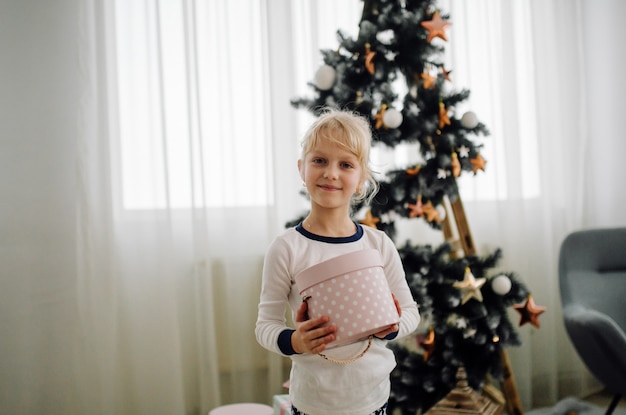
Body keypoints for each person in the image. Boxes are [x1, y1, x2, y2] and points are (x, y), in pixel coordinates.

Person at [255, 108, 420, 415]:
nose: (331, 172)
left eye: (345, 164)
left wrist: (392, 328)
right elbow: (266, 326)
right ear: (302, 168)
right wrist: (296, 341)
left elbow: (411, 312)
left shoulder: (378, 244)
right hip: (312, 403)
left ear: (361, 180)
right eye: (319, 161)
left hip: (373, 400)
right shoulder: (286, 248)